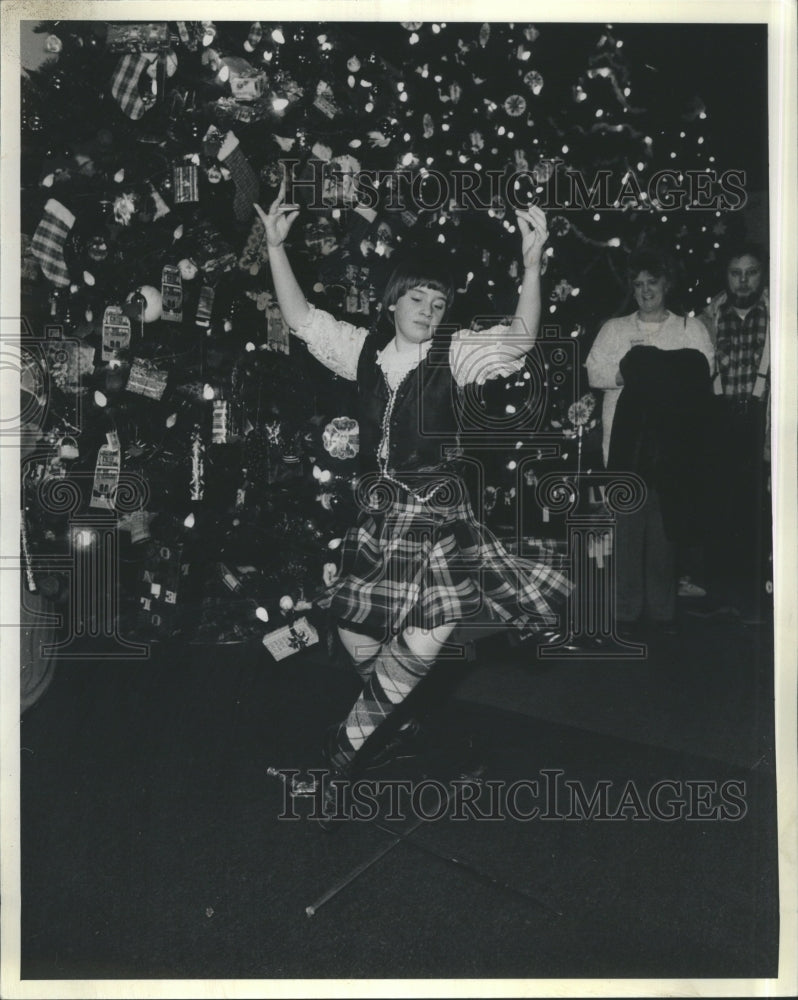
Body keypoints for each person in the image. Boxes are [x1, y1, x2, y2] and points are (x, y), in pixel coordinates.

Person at [255, 185, 571, 823]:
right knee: (353, 633)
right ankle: (394, 726)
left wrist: (532, 266)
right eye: (418, 298)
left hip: (440, 522)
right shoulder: (363, 353)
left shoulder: (454, 354)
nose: (429, 309)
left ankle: (339, 753)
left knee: (424, 642)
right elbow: (302, 319)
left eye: (439, 301)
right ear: (393, 300)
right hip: (380, 521)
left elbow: (520, 341)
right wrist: (273, 248)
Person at [585, 248, 715, 631]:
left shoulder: (690, 329)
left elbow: (702, 370)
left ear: (666, 285)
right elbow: (596, 372)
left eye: (651, 283)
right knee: (626, 529)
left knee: (664, 529)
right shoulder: (615, 329)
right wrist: (637, 371)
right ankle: (625, 610)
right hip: (626, 448)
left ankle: (661, 611)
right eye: (638, 285)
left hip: (673, 447)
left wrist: (647, 367)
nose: (645, 291)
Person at [699, 242, 771, 616]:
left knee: (757, 510)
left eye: (751, 272)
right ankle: (718, 596)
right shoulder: (709, 317)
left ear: (763, 273)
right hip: (720, 416)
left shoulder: (778, 315)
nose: (743, 281)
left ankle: (756, 598)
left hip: (761, 418)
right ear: (725, 275)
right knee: (718, 508)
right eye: (735, 273)